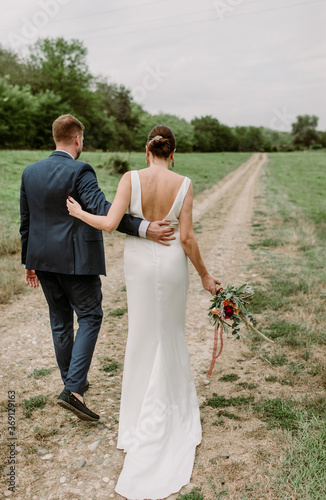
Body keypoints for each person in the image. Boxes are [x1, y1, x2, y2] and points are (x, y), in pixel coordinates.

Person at [66, 124, 221, 499]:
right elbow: (186, 238)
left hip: (138, 264)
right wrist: (205, 275)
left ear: (147, 151)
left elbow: (108, 223)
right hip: (171, 266)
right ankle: (172, 413)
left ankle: (136, 421)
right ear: (173, 153)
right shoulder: (183, 183)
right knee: (170, 334)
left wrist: (78, 212)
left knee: (142, 334)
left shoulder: (130, 178)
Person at [20, 114, 175, 423]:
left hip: (43, 260)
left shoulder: (30, 172)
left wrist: (29, 261)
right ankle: (74, 389)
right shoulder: (81, 171)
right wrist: (145, 228)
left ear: (56, 138)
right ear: (78, 139)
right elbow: (106, 212)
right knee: (90, 316)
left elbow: (26, 222)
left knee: (60, 320)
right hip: (77, 261)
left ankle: (71, 382)